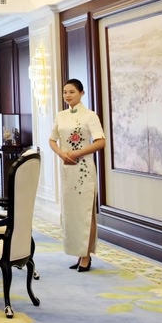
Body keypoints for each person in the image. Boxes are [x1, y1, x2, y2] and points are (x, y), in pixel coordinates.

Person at [48, 78, 106, 272]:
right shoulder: (60, 116)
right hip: (67, 169)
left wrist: (76, 153)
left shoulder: (90, 116)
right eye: (65, 92)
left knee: (85, 213)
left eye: (72, 91)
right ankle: (78, 253)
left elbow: (100, 142)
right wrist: (62, 154)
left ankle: (86, 256)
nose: (67, 95)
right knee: (71, 213)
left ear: (81, 93)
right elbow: (52, 140)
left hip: (84, 170)